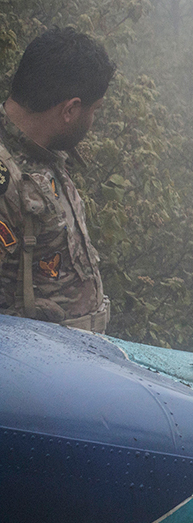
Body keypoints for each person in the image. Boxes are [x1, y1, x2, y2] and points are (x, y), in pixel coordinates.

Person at [0, 28, 114, 332]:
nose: (92, 120)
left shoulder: (44, 152)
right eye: (94, 110)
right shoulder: (5, 179)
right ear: (71, 109)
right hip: (32, 368)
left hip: (71, 360)